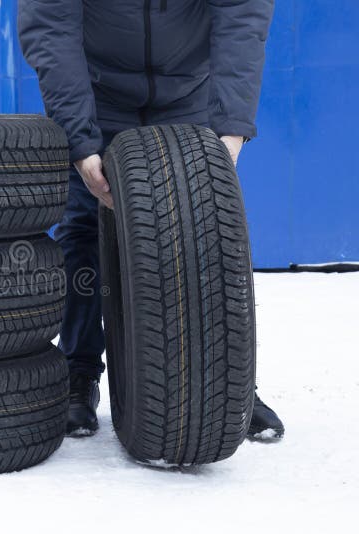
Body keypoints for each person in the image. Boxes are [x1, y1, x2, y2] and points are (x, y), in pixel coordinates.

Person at [18, 0, 284, 440]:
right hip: (96, 94)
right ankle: (78, 375)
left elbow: (242, 20)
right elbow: (52, 32)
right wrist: (82, 145)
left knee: (206, 228)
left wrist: (231, 131)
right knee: (84, 226)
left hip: (187, 94)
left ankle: (227, 387)